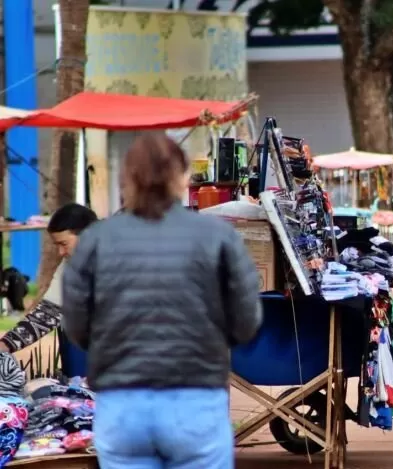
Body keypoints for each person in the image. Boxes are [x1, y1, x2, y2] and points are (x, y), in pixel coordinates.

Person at [61, 133, 264, 469]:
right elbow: (246, 321)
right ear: (183, 178)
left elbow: (76, 325)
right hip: (196, 400)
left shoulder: (96, 239)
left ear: (127, 180)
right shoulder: (218, 235)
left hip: (121, 405)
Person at [0, 203, 98, 354]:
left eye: (64, 244)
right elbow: (49, 313)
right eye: (57, 245)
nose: (60, 252)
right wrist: (5, 346)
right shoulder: (71, 265)